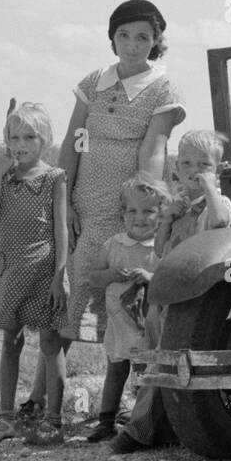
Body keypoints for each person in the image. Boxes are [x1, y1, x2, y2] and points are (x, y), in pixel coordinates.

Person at [21, 0, 185, 418]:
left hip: (129, 210)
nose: (133, 45)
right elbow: (74, 141)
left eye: (143, 37)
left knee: (128, 303)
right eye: (124, 36)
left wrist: (142, 206)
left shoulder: (163, 89)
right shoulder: (94, 82)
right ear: (112, 38)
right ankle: (39, 401)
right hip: (85, 206)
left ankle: (137, 408)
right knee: (70, 300)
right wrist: (64, 200)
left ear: (156, 42)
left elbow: (154, 147)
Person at [110, 129, 231, 454]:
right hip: (166, 294)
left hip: (195, 301)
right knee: (155, 357)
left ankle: (139, 430)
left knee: (166, 360)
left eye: (204, 164)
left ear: (218, 170)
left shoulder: (217, 204)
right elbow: (162, 249)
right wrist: (167, 218)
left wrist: (209, 189)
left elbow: (221, 224)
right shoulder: (179, 208)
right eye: (188, 163)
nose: (194, 170)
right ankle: (163, 425)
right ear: (177, 168)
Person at [0, 101, 68, 444]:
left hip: (45, 269)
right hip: (12, 269)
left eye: (29, 136)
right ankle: (6, 419)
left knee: (49, 341)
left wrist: (61, 275)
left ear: (44, 138)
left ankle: (53, 419)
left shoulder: (53, 178)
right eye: (14, 137)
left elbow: (60, 232)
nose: (21, 144)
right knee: (10, 341)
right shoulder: (6, 179)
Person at [82, 176, 169, 443]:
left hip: (147, 323)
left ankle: (144, 420)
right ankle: (106, 421)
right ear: (123, 214)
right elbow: (93, 277)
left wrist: (150, 277)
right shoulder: (114, 244)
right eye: (132, 211)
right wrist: (110, 274)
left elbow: (169, 282)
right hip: (119, 322)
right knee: (116, 369)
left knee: (146, 371)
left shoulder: (161, 248)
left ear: (160, 214)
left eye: (148, 211)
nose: (139, 218)